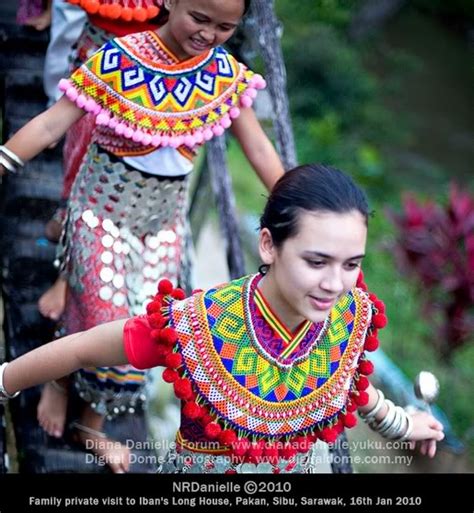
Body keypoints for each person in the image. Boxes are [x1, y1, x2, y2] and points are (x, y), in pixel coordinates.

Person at [0, 164, 445, 474]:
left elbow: (343, 380)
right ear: (269, 246)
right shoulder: (199, 327)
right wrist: (5, 380)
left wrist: (403, 425)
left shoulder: (348, 317)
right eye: (317, 261)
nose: (335, 283)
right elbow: (82, 348)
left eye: (351, 265)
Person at [0, 0, 285, 470]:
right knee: (99, 314)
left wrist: (302, 204)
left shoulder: (225, 77)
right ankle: (56, 379)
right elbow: (53, 123)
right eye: (199, 18)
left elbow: (256, 146)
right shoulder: (120, 59)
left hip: (162, 224)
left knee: (143, 330)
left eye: (225, 27)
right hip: (100, 212)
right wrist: (4, 160)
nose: (208, 34)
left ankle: (89, 424)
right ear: (170, 1)